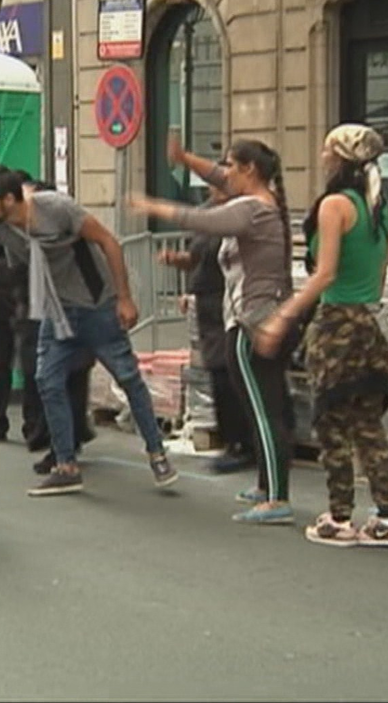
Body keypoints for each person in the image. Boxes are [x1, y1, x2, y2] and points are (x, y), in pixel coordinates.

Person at [0, 169, 178, 496]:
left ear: (8, 199)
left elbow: (107, 241)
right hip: (56, 311)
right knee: (47, 380)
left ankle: (157, 454)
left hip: (95, 306)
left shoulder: (56, 209)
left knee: (128, 377)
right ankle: (66, 466)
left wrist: (124, 298)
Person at [129, 138, 296, 524]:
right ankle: (266, 486)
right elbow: (217, 175)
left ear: (249, 170)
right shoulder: (263, 201)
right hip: (256, 317)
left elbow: (201, 220)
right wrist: (184, 158)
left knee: (263, 411)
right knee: (260, 408)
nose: (224, 174)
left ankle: (276, 498)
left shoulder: (252, 210)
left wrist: (152, 206)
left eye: (232, 166)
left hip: (251, 321)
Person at [255, 123, 388, 548]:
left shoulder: (334, 205)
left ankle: (340, 516)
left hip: (336, 323)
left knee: (332, 422)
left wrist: (283, 317)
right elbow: (380, 274)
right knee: (367, 422)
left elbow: (324, 274)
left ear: (341, 158)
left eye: (327, 150)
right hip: (368, 322)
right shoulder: (380, 208)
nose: (322, 157)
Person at [0, 163, 96, 462]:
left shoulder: (44, 214)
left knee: (47, 369)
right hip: (1, 295)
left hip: (41, 299)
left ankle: (47, 432)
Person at [156, 182, 256, 475]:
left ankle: (243, 443)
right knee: (215, 368)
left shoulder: (239, 215)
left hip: (228, 298)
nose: (213, 188)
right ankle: (230, 439)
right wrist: (177, 262)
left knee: (229, 370)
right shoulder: (208, 214)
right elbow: (197, 257)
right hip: (207, 299)